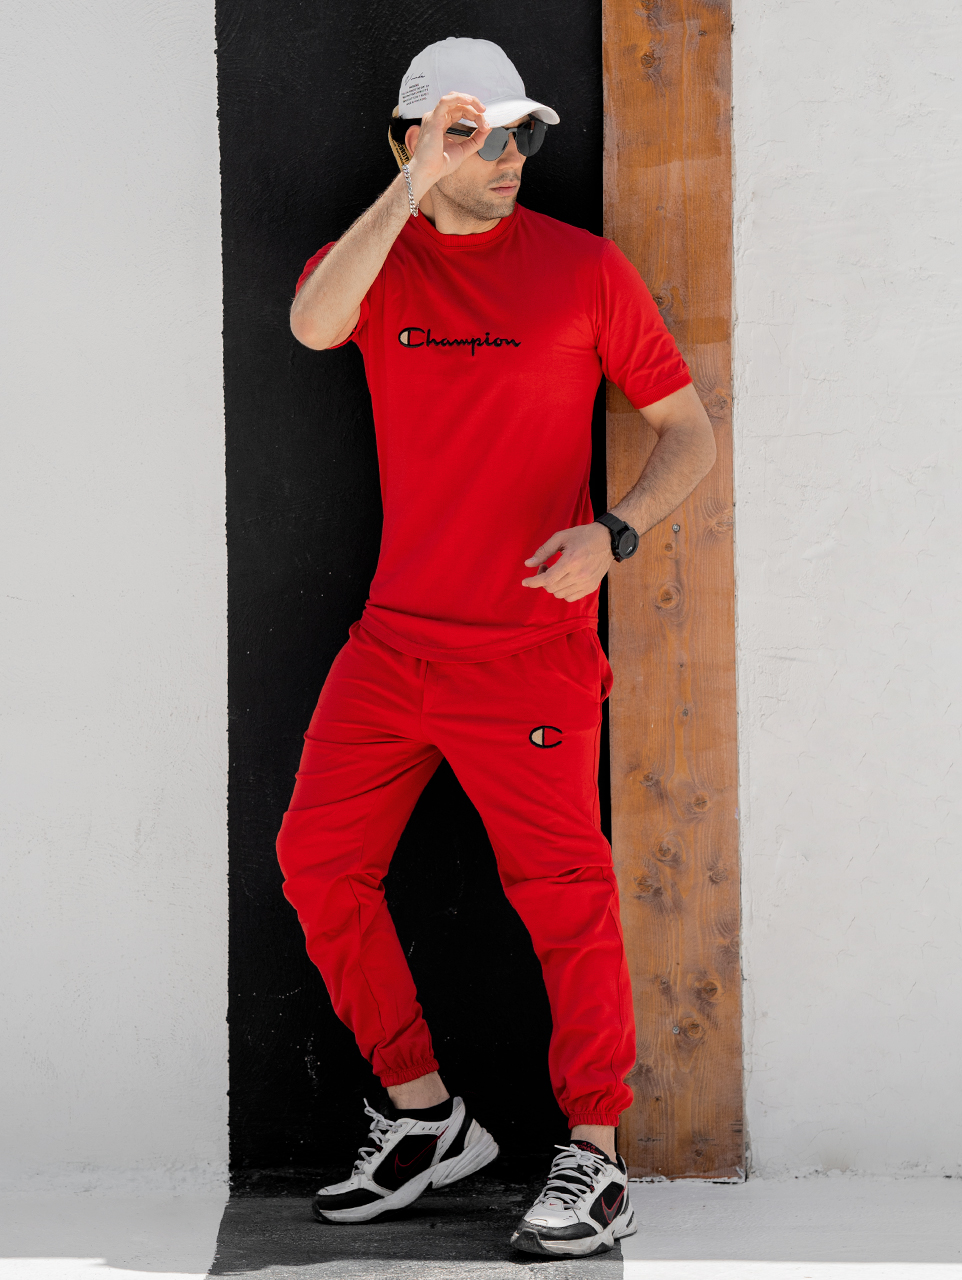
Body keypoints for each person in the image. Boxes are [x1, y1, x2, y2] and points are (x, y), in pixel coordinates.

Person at [278, 36, 716, 1259]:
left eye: (518, 132)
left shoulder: (582, 271)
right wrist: (411, 188)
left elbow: (687, 432)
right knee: (317, 863)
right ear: (411, 140)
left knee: (563, 901)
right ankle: (423, 1114)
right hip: (391, 648)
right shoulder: (377, 260)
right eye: (472, 134)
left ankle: (597, 1157)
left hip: (529, 649)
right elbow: (313, 324)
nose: (507, 156)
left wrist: (613, 533)